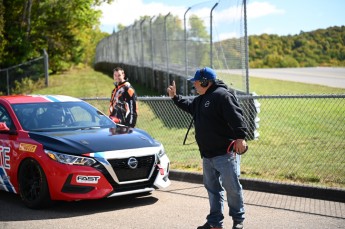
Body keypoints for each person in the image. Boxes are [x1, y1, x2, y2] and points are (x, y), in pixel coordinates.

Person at [167, 67, 248, 229]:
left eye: (196, 82)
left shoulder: (222, 96)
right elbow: (189, 105)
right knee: (213, 189)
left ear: (205, 81)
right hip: (207, 154)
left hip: (225, 153)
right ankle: (214, 222)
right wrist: (175, 97)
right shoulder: (201, 99)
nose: (194, 85)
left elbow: (236, 116)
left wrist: (240, 137)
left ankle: (238, 220)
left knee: (232, 188)